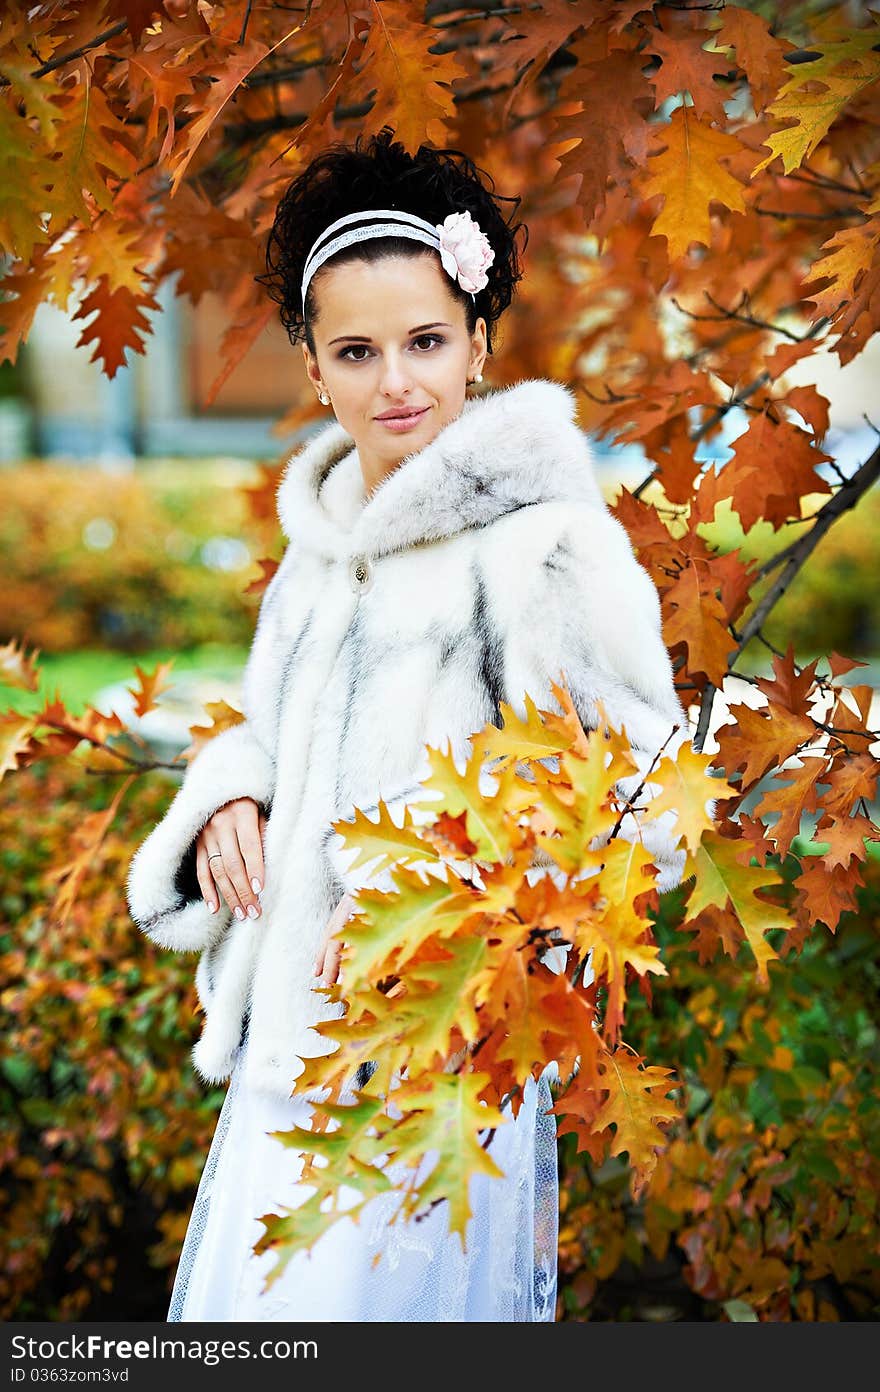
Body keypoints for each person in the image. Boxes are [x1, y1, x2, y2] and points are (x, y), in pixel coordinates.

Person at [126, 127, 691, 1322]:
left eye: (427, 341)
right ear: (312, 365)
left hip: (433, 1073)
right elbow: (269, 735)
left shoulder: (540, 548)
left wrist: (449, 910)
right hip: (292, 1053)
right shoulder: (321, 550)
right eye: (357, 350)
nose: (397, 382)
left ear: (479, 342)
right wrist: (230, 790)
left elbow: (651, 802)